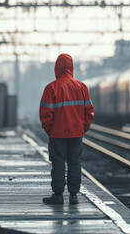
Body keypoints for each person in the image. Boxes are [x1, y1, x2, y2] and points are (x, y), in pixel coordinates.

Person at [39, 53, 94, 205]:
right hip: (76, 133)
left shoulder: (51, 88)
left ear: (57, 68)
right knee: (74, 162)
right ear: (71, 68)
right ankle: (74, 196)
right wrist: (82, 128)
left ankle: (57, 195)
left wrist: (49, 130)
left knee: (58, 163)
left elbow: (45, 113)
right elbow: (89, 111)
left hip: (57, 134)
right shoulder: (82, 87)